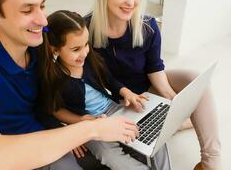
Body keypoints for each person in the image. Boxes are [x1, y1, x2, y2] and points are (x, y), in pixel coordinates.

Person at [0, 0, 139, 169]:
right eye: (27, 11)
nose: (43, 21)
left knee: (134, 147)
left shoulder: (41, 42)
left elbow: (83, 48)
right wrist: (87, 129)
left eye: (42, 6)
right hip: (16, 153)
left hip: (52, 133)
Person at [86, 0, 221, 170]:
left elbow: (154, 67)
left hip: (149, 89)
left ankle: (211, 163)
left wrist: (170, 98)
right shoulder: (85, 29)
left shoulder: (148, 25)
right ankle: (180, 122)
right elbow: (87, 80)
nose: (131, 2)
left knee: (194, 77)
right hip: (121, 101)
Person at [37, 10, 154, 170]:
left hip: (113, 108)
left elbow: (109, 79)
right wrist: (80, 122)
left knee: (147, 132)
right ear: (55, 50)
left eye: (86, 44)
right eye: (75, 49)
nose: (84, 52)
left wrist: (126, 92)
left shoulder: (89, 58)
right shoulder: (52, 77)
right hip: (88, 125)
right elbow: (54, 110)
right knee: (109, 155)